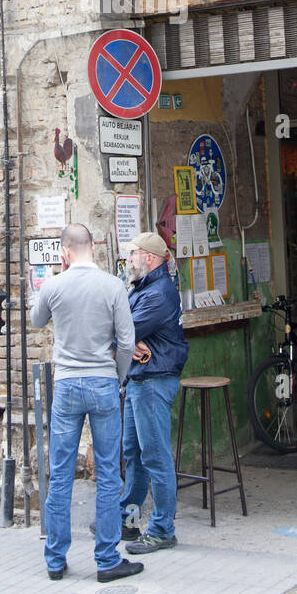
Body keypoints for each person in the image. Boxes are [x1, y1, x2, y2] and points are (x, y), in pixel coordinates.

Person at [29, 222, 142, 583]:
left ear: (64, 252)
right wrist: (119, 376)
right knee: (109, 473)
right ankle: (107, 560)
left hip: (65, 386)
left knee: (60, 472)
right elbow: (127, 342)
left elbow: (36, 320)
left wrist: (58, 279)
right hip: (103, 382)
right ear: (94, 247)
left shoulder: (55, 286)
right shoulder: (113, 286)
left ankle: (55, 559)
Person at [120, 230, 189, 554]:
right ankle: (128, 520)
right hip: (139, 379)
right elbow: (121, 329)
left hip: (153, 380)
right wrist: (124, 338)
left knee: (155, 456)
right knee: (133, 453)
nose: (128, 260)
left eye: (132, 254)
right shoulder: (142, 287)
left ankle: (162, 529)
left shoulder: (158, 292)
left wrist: (124, 338)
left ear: (148, 257)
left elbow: (124, 330)